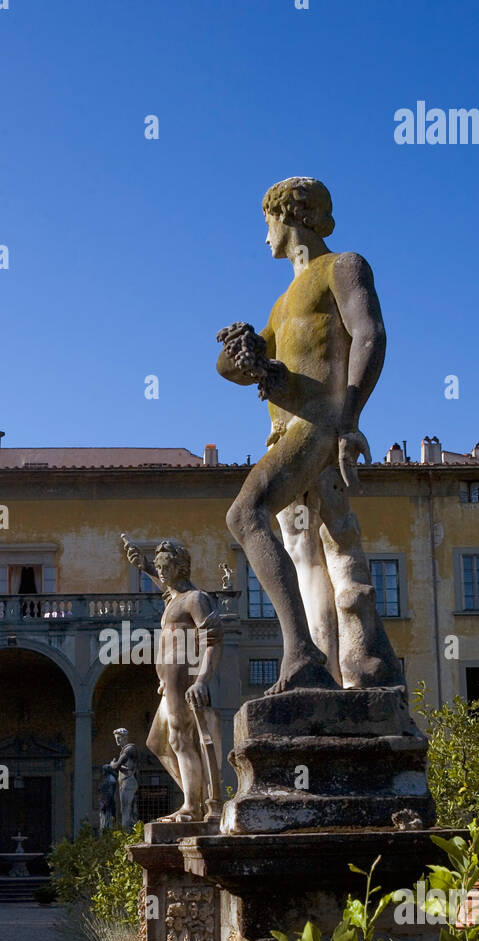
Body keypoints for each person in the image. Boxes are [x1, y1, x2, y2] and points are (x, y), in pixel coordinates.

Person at [216, 176, 402, 694]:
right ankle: (363, 667)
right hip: (286, 434)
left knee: (243, 513)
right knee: (325, 557)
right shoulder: (279, 305)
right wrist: (242, 352)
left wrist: (349, 419)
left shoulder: (342, 267)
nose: (265, 236)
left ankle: (299, 653)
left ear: (290, 214)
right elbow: (231, 369)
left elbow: (370, 334)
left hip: (319, 422)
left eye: (267, 222)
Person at [122, 536, 222, 822]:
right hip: (168, 679)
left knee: (180, 739)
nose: (162, 571)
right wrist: (145, 568)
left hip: (183, 672)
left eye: (166, 566)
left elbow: (213, 640)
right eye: (159, 566)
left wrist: (202, 679)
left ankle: (193, 806)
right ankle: (199, 799)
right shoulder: (174, 599)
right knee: (157, 742)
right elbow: (167, 588)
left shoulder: (196, 599)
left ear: (181, 568)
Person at [108, 730, 139, 829]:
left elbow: (116, 765)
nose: (117, 741)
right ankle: (131, 832)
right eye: (116, 738)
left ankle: (127, 835)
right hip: (126, 781)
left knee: (126, 810)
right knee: (127, 810)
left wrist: (113, 763)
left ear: (125, 738)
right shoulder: (126, 750)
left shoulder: (129, 749)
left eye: (119, 738)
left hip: (128, 782)